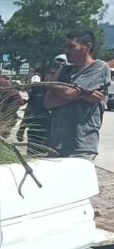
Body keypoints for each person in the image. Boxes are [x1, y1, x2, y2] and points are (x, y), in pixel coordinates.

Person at [45, 31, 111, 160]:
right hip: (56, 143)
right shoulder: (65, 70)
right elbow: (48, 103)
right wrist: (82, 96)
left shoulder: (98, 67)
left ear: (87, 46)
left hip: (81, 146)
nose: (66, 51)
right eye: (65, 46)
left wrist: (49, 84)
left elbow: (68, 93)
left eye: (71, 46)